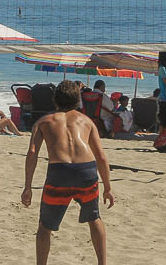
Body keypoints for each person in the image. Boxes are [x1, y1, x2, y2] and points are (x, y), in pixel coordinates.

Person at [22, 80, 114, 265]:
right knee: (94, 218)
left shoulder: (43, 122)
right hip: (86, 171)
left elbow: (32, 153)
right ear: (78, 101)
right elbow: (101, 157)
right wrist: (108, 188)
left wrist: (28, 187)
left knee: (45, 226)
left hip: (59, 173)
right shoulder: (87, 122)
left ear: (55, 100)